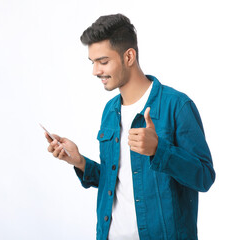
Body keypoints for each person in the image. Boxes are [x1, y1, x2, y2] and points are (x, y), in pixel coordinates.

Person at [44, 14, 215, 240]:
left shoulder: (177, 106)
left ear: (129, 56)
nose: (95, 71)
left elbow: (204, 177)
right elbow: (116, 179)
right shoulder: (110, 111)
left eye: (103, 62)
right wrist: (80, 162)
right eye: (92, 62)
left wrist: (159, 150)